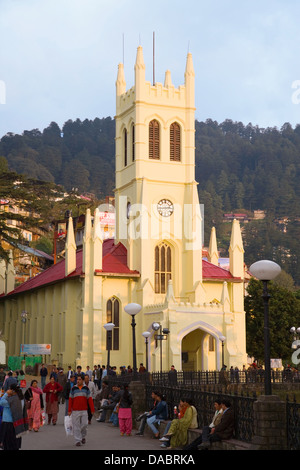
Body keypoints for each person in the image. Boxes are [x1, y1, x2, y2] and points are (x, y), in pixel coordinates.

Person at [68, 373, 95, 447]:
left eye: (80, 379)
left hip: (84, 410)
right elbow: (70, 399)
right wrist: (69, 410)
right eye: (77, 379)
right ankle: (77, 440)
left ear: (83, 380)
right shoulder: (73, 388)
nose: (78, 381)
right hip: (75, 410)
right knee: (76, 426)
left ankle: (83, 436)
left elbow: (90, 399)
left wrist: (92, 409)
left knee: (84, 424)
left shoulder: (86, 388)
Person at [0, 383, 27, 450]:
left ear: (12, 390)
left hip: (9, 424)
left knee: (8, 445)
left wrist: (6, 393)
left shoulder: (11, 400)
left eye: (9, 389)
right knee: (15, 444)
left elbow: (1, 402)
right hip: (17, 424)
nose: (8, 390)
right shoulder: (21, 398)